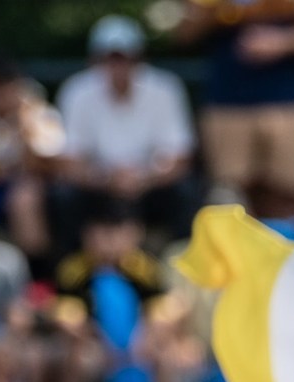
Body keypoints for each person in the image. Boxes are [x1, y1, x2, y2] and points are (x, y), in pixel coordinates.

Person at [177, 0, 294, 214]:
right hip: (226, 103)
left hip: (287, 101)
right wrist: (217, 12)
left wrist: (281, 42)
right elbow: (184, 34)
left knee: (287, 193)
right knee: (229, 194)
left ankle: (284, 236)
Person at [54, 16, 196, 239]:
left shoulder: (165, 89)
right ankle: (71, 259)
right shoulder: (76, 91)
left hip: (151, 185)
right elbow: (69, 160)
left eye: (125, 58)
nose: (118, 67)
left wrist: (145, 178)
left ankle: (177, 253)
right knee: (64, 195)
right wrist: (106, 179)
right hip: (98, 187)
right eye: (110, 59)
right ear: (95, 60)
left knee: (185, 192)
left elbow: (180, 156)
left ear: (140, 59)